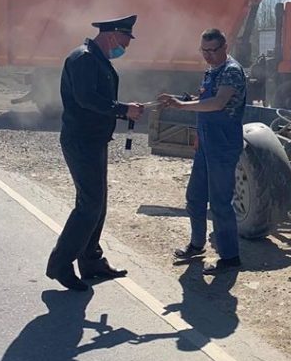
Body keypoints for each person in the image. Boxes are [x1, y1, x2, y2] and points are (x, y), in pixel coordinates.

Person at [46, 15, 145, 291]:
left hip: (94, 141)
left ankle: (91, 261)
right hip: (81, 141)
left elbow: (100, 99)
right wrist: (123, 109)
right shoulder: (84, 59)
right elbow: (86, 99)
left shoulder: (97, 59)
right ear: (112, 35)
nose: (125, 47)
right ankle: (59, 264)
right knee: (89, 205)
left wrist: (123, 109)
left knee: (97, 204)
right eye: (125, 41)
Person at [159, 28, 246, 275]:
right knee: (195, 197)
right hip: (207, 142)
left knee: (220, 202)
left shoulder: (231, 71)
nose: (207, 55)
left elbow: (218, 103)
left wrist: (182, 105)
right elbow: (204, 103)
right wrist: (184, 104)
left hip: (223, 144)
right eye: (204, 50)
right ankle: (197, 245)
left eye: (212, 50)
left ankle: (230, 257)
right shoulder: (211, 71)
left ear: (224, 47)